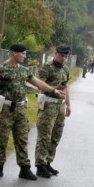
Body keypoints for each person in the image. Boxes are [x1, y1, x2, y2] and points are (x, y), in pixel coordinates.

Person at [0, 43, 64, 180]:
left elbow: (38, 83)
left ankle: (24, 168)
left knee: (22, 139)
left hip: (21, 108)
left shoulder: (24, 70)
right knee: (2, 138)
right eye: (22, 53)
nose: (24, 56)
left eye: (25, 53)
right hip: (6, 108)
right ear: (13, 53)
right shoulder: (1, 69)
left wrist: (53, 90)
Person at [34, 45, 71, 178]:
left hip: (60, 106)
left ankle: (48, 161)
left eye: (66, 56)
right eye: (62, 56)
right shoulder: (47, 67)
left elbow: (66, 89)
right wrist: (55, 88)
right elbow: (40, 86)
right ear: (55, 53)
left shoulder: (65, 69)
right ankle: (40, 165)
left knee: (56, 135)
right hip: (48, 104)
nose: (63, 59)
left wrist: (68, 105)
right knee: (45, 135)